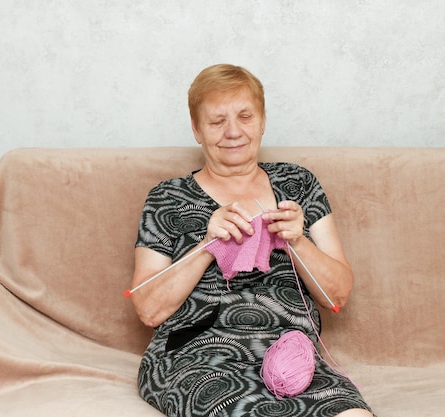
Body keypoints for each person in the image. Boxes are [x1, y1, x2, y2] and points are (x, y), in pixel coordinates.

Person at [130, 64, 374, 417]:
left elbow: (337, 296)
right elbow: (148, 309)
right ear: (197, 130)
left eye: (245, 116)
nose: (233, 132)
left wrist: (298, 242)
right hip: (196, 357)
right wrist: (207, 245)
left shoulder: (298, 185)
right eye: (217, 121)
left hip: (289, 358)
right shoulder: (168, 198)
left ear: (262, 121)